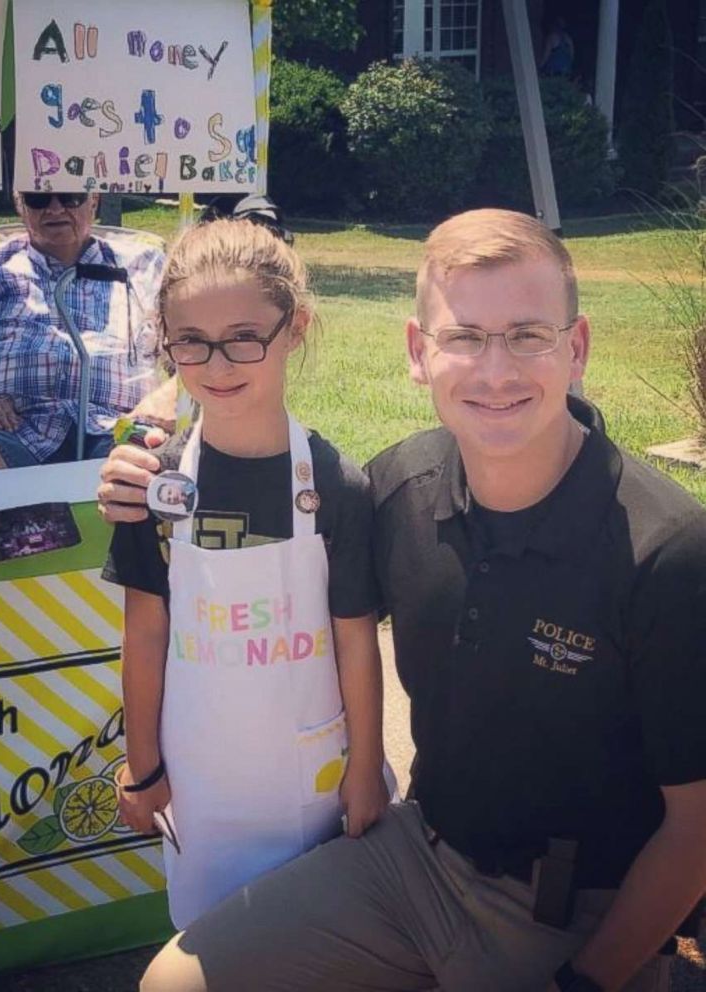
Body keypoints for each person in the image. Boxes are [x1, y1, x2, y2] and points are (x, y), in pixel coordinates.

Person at [98, 209, 706, 991]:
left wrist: (585, 983)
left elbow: (695, 830)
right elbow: (265, 531)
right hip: (417, 856)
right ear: (419, 352)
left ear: (577, 346)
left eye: (528, 334)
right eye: (464, 337)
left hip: (572, 917)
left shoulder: (670, 552)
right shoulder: (393, 490)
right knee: (173, 984)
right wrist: (137, 477)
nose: (495, 370)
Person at [102, 219, 395, 930]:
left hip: (313, 778)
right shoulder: (157, 484)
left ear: (294, 329)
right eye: (191, 341)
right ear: (166, 344)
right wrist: (143, 768)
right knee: (208, 938)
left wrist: (365, 767)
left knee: (315, 944)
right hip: (200, 780)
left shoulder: (333, 484)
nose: (218, 363)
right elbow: (145, 632)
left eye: (244, 336)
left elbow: (355, 638)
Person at [0, 191, 165, 474]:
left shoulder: (144, 266)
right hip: (15, 427)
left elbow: (192, 343)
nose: (55, 209)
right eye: (38, 199)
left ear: (94, 199)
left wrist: (161, 400)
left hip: (116, 426)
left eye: (70, 197)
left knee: (155, 465)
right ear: (19, 204)